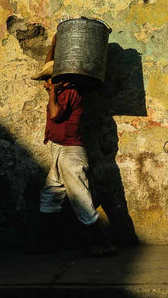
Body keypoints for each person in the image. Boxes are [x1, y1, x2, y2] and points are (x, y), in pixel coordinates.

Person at [29, 38, 115, 257]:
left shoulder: (69, 93)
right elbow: (48, 67)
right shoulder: (60, 91)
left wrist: (52, 92)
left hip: (70, 153)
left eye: (50, 80)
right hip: (59, 151)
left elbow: (56, 114)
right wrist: (52, 46)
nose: (46, 82)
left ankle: (103, 244)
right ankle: (44, 244)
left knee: (81, 198)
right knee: (50, 196)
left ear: (58, 80)